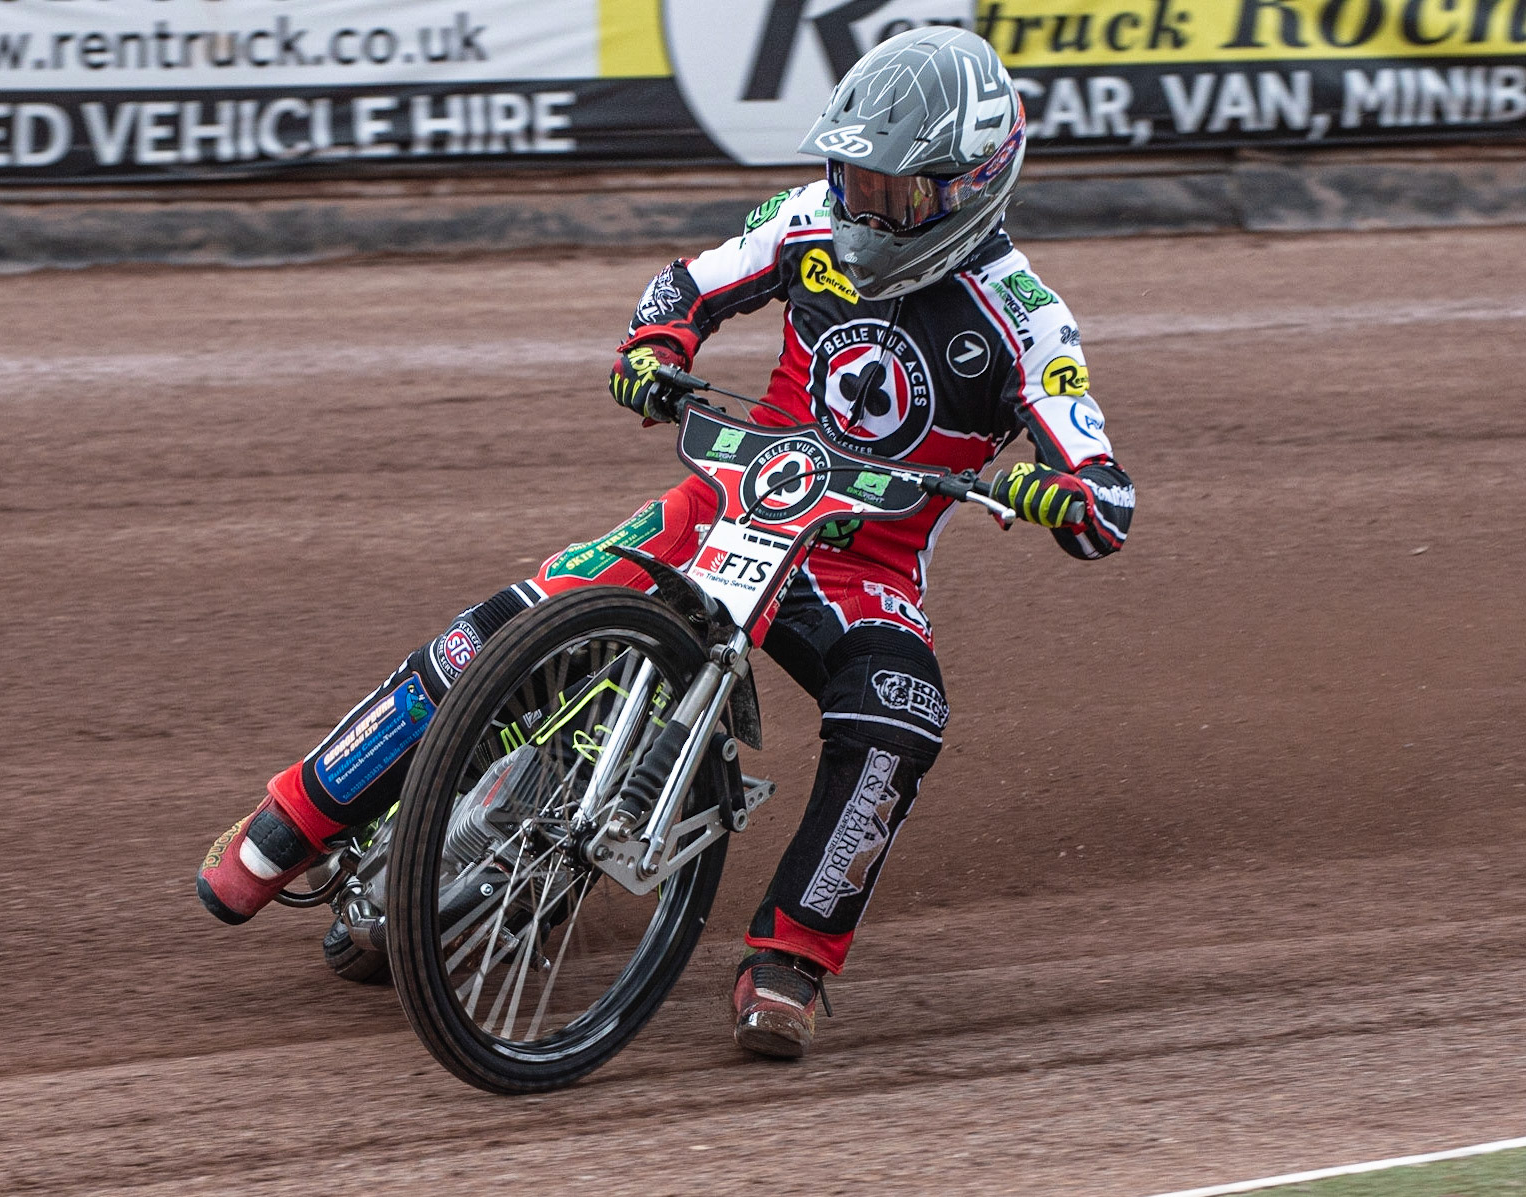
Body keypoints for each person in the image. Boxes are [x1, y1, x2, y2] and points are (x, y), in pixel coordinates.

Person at [195, 26, 1134, 1060]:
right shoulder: (807, 222)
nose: (863, 206)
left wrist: (1068, 499)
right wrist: (654, 348)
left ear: (972, 184)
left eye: (893, 192)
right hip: (725, 501)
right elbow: (684, 285)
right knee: (500, 629)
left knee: (899, 719)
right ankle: (289, 825)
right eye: (851, 176)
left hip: (855, 568)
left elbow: (1102, 489)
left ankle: (790, 960)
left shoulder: (1025, 319)